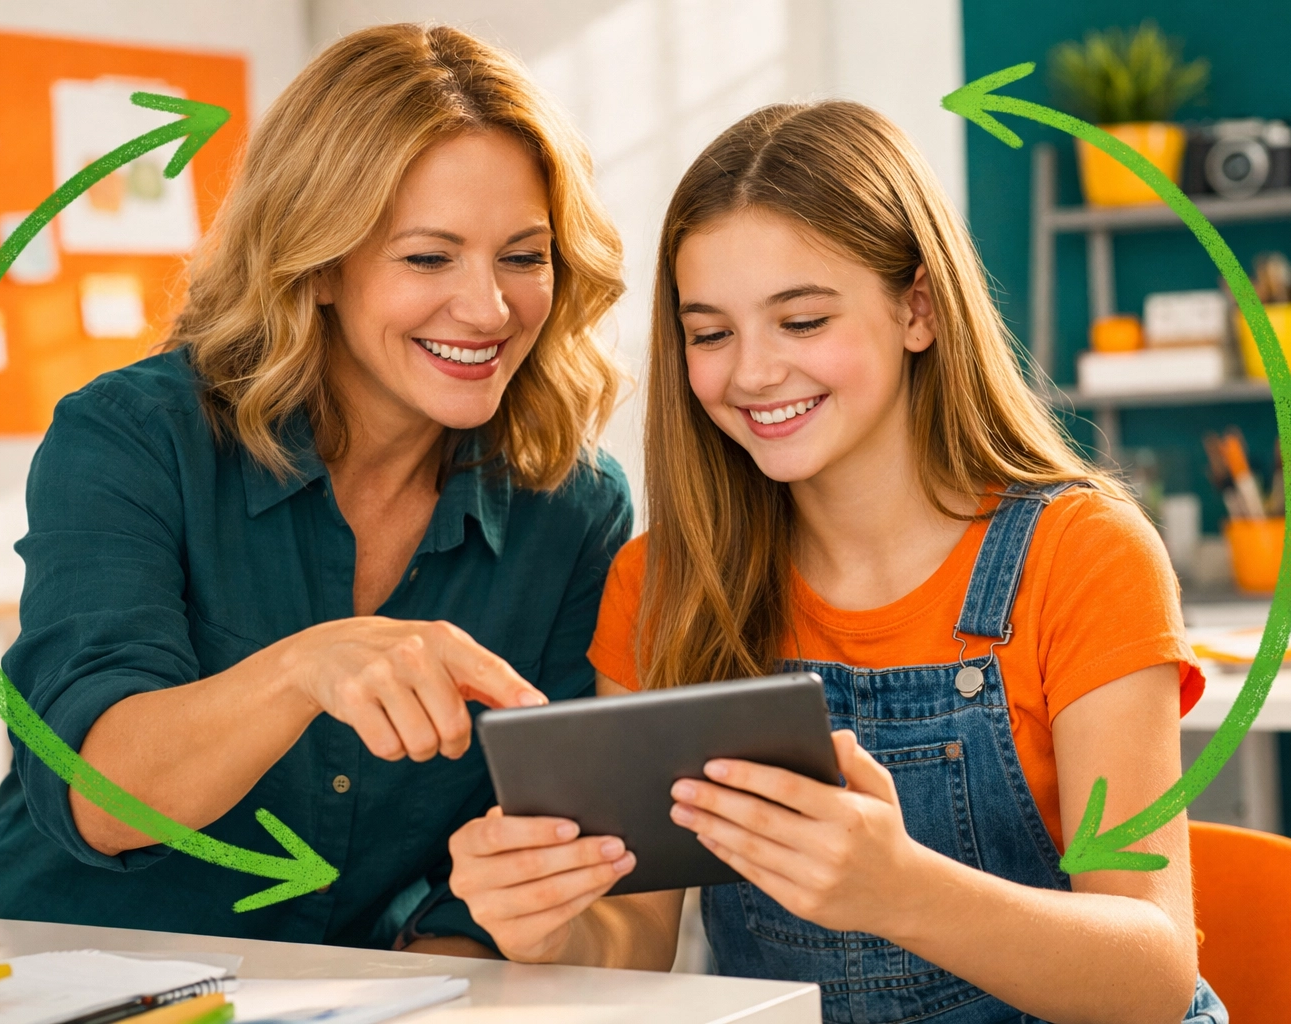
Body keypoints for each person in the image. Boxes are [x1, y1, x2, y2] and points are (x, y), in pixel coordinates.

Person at [446, 101, 1228, 1022]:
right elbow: (636, 945)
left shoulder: (1083, 555)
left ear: (918, 310)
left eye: (803, 320)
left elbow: (1151, 972)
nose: (754, 373)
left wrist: (899, 889)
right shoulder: (667, 585)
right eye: (711, 333)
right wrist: (545, 930)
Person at [0, 23, 632, 956]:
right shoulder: (135, 439)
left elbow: (521, 850)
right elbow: (95, 795)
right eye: (428, 258)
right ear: (318, 264)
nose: (490, 308)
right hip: (50, 976)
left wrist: (453, 971)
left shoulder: (572, 507)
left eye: (524, 255)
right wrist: (304, 668)